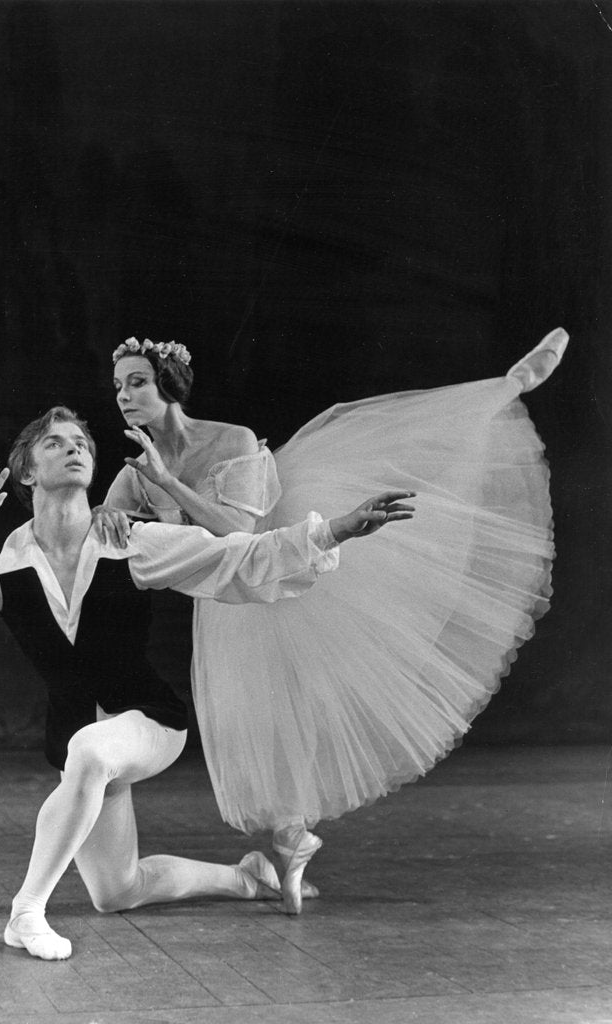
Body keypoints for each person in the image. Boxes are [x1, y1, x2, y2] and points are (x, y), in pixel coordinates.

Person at [0, 405, 414, 960]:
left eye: (81, 443)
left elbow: (240, 556)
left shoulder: (130, 542)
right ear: (27, 472)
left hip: (151, 721)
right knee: (116, 891)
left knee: (91, 750)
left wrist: (336, 529)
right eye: (55, 443)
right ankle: (248, 878)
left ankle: (25, 912)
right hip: (78, 744)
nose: (74, 448)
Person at [95, 327, 568, 914]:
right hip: (233, 596)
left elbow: (240, 533)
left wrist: (166, 482)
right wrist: (106, 513)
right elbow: (101, 524)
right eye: (118, 386)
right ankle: (291, 844)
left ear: (168, 386)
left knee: (313, 693)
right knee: (261, 714)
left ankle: (503, 390)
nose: (124, 396)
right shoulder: (136, 468)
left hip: (293, 561)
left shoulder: (229, 439)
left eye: (137, 382)